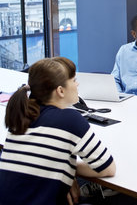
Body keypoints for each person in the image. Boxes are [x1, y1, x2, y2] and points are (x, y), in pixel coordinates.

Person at [0, 57, 116, 205]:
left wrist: (62, 168)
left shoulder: (21, 116)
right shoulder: (70, 119)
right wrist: (69, 169)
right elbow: (107, 167)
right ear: (60, 90)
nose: (77, 84)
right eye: (73, 80)